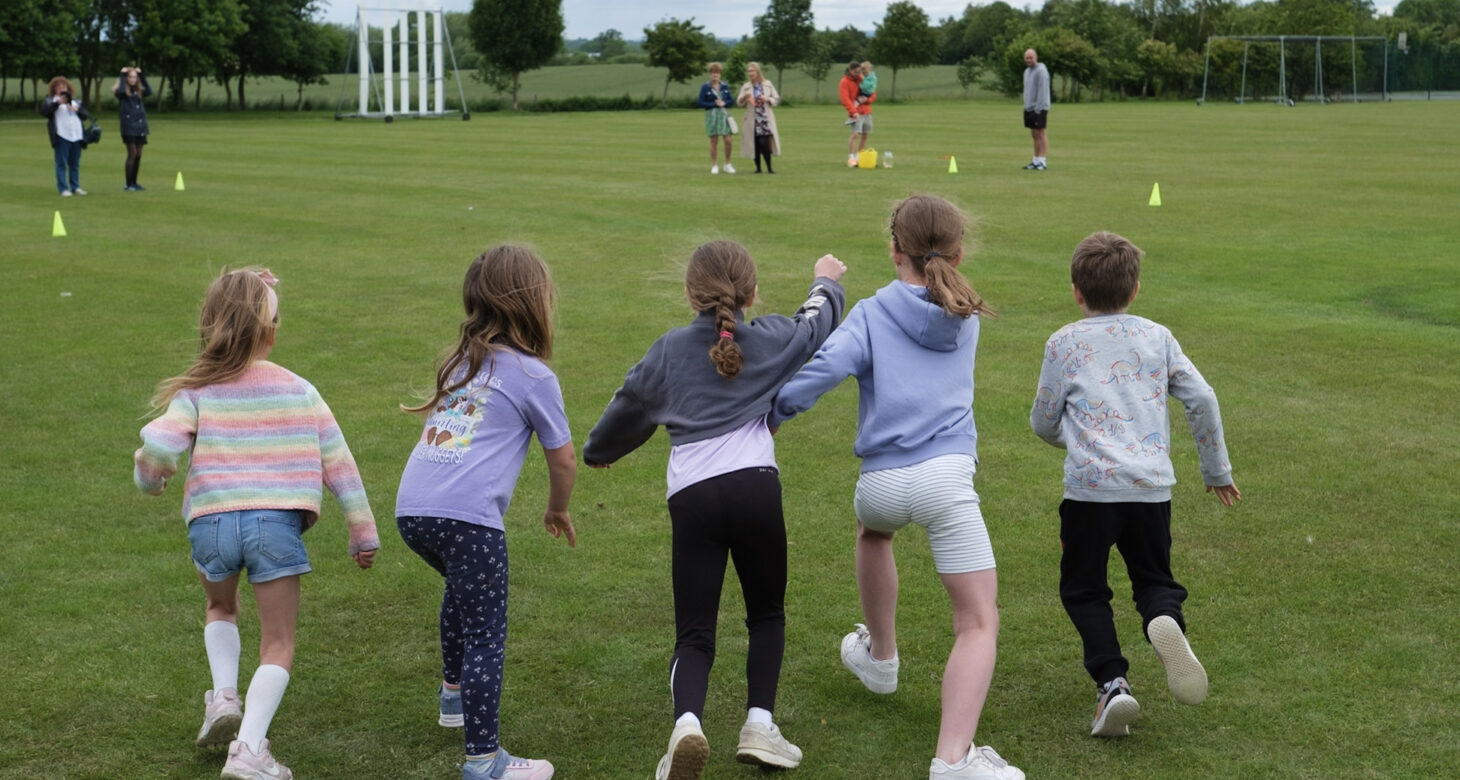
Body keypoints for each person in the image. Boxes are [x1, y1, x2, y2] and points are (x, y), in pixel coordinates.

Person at [769, 195, 1023, 780]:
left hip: (880, 484)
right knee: (977, 622)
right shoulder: (966, 310)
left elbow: (823, 371)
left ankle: (881, 657)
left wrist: (776, 410)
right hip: (947, 483)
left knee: (873, 532)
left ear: (893, 251)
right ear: (958, 253)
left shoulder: (870, 312)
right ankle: (953, 760)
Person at [585, 241, 847, 780]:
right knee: (766, 614)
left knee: (695, 631)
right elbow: (814, 324)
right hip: (756, 488)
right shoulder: (769, 338)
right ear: (751, 293)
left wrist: (601, 453)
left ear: (689, 294)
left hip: (693, 498)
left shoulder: (666, 350)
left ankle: (687, 724)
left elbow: (625, 410)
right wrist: (826, 279)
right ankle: (759, 725)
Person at [134, 268, 380, 780]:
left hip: (211, 524)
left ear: (209, 326)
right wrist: (362, 532)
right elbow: (340, 465)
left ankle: (224, 697)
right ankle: (248, 750)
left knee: (219, 605)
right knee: (278, 642)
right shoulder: (299, 390)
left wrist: (151, 481)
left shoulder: (198, 390)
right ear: (270, 330)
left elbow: (158, 446)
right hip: (274, 525)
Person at [1029, 231, 1240, 738]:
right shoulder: (1157, 337)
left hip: (1089, 494)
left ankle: (1112, 683)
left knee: (1084, 589)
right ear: (1136, 288)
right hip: (1150, 490)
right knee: (1154, 581)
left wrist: (1077, 442)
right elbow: (1203, 400)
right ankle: (1163, 620)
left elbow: (1042, 420)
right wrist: (1216, 472)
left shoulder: (1064, 342)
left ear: (1077, 291)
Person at [395, 245, 577, 780]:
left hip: (414, 512)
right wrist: (557, 507)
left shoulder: (461, 359)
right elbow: (563, 457)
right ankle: (483, 759)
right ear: (534, 303)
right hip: (468, 519)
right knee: (486, 632)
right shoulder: (534, 375)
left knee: (462, 592)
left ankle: (452, 696)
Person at [39, 76, 90, 196]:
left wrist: (77, 110)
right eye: (59, 87)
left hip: (76, 135)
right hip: (62, 135)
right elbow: (45, 112)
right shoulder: (51, 101)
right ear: (54, 89)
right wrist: (58, 103)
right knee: (61, 163)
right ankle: (63, 188)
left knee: (74, 163)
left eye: (64, 86)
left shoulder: (75, 101)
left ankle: (75, 186)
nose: (62, 88)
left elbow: (86, 115)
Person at [737, 62, 782, 174]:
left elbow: (776, 98)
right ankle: (758, 168)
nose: (750, 73)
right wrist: (744, 97)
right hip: (752, 118)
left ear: (757, 72)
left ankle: (769, 168)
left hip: (764, 118)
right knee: (755, 143)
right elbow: (739, 102)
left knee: (764, 142)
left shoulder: (767, 84)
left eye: (752, 71)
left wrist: (767, 98)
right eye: (749, 71)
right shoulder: (746, 86)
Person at [115, 66, 152, 191]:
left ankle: (134, 183)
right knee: (133, 153)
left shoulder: (139, 91)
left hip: (140, 126)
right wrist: (121, 75)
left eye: (134, 77)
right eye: (130, 77)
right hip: (128, 126)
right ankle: (128, 183)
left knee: (139, 155)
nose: (132, 79)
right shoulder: (123, 93)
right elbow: (119, 91)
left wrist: (142, 76)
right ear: (126, 78)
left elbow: (149, 91)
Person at [697, 62, 736, 175]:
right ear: (710, 74)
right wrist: (714, 104)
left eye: (717, 73)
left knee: (728, 140)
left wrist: (724, 102)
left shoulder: (725, 86)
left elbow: (731, 101)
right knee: (713, 141)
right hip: (712, 116)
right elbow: (700, 102)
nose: (715, 75)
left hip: (724, 115)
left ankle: (727, 164)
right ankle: (714, 165)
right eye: (713, 73)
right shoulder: (705, 87)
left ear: (720, 74)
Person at [839, 61, 875, 168]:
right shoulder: (844, 82)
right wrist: (853, 112)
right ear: (850, 70)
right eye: (855, 71)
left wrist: (867, 100)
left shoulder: (862, 78)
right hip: (855, 112)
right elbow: (845, 99)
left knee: (865, 135)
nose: (857, 73)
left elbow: (872, 92)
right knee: (855, 134)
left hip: (867, 111)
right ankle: (851, 158)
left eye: (859, 71)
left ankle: (859, 157)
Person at [1022, 49, 1050, 171]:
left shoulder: (1041, 71)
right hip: (1029, 107)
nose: (1029, 60)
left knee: (1041, 133)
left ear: (1036, 57)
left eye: (1031, 57)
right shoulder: (1027, 72)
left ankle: (1042, 161)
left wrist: (1038, 109)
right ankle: (1035, 160)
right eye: (1027, 57)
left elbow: (1042, 90)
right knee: (1034, 134)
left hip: (1039, 108)